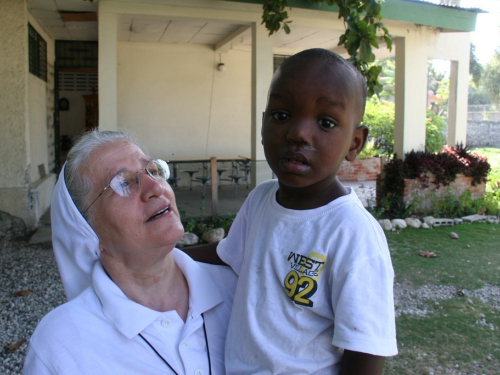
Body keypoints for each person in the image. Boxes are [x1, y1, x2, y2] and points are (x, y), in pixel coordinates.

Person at [187, 48, 398, 374]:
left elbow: (366, 349)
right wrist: (164, 252)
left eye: (326, 122)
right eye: (281, 115)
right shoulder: (260, 200)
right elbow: (227, 254)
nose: (297, 133)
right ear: (262, 123)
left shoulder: (352, 232)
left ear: (355, 143)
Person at [23, 130, 237, 375]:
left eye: (153, 171)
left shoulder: (238, 289)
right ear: (87, 231)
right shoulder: (60, 346)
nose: (155, 187)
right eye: (123, 183)